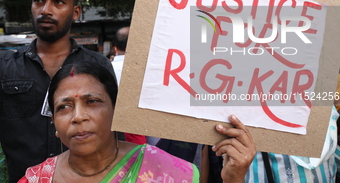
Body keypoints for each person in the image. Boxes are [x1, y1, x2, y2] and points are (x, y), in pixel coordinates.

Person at [18, 62, 256, 183]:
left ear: (117, 112)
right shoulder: (37, 179)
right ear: (54, 125)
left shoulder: (166, 171)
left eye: (92, 101)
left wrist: (233, 180)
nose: (78, 116)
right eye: (64, 107)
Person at [0, 0, 115, 183]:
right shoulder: (4, 67)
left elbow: (115, 135)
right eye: (38, 0)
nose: (45, 9)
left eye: (58, 2)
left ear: (76, 12)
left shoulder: (99, 67)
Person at [111, 27, 146, 145]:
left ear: (115, 48)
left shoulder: (107, 69)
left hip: (113, 131)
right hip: (141, 130)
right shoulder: (145, 71)